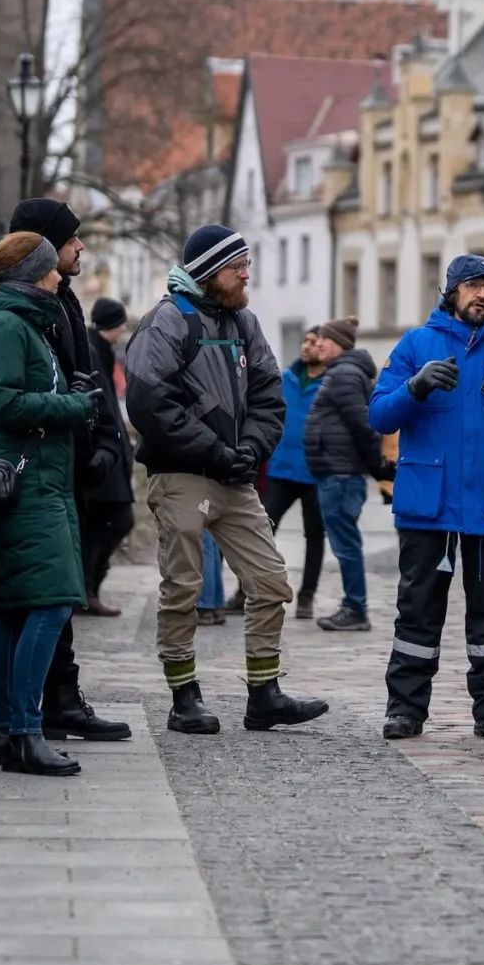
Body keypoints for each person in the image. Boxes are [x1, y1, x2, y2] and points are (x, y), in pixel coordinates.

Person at [124, 224, 330, 734]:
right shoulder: (167, 322)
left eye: (246, 266)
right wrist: (215, 452)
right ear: (209, 271)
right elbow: (150, 405)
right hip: (182, 476)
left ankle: (264, 693)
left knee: (270, 582)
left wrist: (251, 450)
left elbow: (267, 394)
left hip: (233, 476)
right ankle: (184, 697)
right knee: (183, 589)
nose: (245, 275)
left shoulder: (245, 324)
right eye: (237, 267)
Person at [0, 199, 131, 748]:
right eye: (67, 248)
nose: (76, 255)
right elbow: (5, 404)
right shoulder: (9, 324)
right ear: (38, 269)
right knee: (47, 600)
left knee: (25, 601)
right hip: (27, 478)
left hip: (47, 476)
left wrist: (84, 417)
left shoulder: (33, 318)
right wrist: (74, 409)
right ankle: (21, 727)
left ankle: (14, 726)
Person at [370, 255, 484, 741]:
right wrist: (415, 386)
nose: (482, 295)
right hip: (428, 507)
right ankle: (405, 709)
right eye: (472, 286)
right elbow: (380, 417)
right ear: (451, 292)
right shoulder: (416, 344)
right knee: (417, 610)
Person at [301, 315, 390, 631]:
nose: (318, 343)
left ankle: (355, 608)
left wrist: (377, 466)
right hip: (336, 472)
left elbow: (363, 425)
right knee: (345, 542)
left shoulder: (344, 376)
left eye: (324, 339)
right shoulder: (343, 373)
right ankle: (354, 606)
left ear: (338, 344)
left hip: (340, 474)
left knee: (346, 544)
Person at [256, 327, 332, 620]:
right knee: (260, 531)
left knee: (314, 536)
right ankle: (249, 590)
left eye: (314, 342)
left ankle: (306, 597)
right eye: (305, 341)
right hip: (281, 470)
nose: (307, 346)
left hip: (315, 474)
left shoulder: (332, 383)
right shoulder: (285, 379)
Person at [76, 297, 136, 617]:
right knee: (111, 520)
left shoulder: (100, 349)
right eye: (121, 323)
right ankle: (87, 588)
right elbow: (100, 404)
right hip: (102, 452)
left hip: (109, 451)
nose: (124, 328)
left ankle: (89, 587)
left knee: (109, 521)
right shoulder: (92, 349)